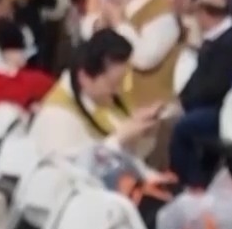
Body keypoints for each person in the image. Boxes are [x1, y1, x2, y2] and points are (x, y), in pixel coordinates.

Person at [29, 29, 160, 163]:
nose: (119, 91)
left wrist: (144, 132)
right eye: (114, 83)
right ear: (85, 78)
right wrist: (118, 140)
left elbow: (135, 158)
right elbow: (72, 170)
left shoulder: (106, 97)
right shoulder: (57, 117)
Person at [167, 0, 232, 188]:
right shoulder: (217, 39)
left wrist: (186, 103)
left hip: (222, 109)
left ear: (204, 14)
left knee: (182, 127)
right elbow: (198, 77)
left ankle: (191, 183)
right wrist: (182, 98)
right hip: (206, 104)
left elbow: (217, 86)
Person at [96, 0, 182, 125]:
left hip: (153, 113)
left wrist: (119, 22)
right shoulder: (121, 6)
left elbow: (144, 58)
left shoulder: (163, 11)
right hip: (118, 110)